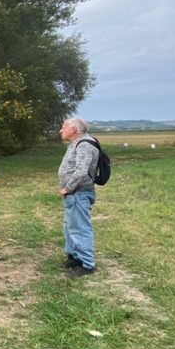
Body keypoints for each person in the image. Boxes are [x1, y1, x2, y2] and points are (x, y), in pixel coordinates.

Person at [59, 117, 100, 277]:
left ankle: (87, 264)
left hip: (78, 193)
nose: (61, 131)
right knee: (70, 226)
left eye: (63, 127)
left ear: (73, 130)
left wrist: (67, 189)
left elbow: (81, 171)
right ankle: (74, 258)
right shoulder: (77, 143)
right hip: (74, 193)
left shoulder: (84, 145)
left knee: (79, 228)